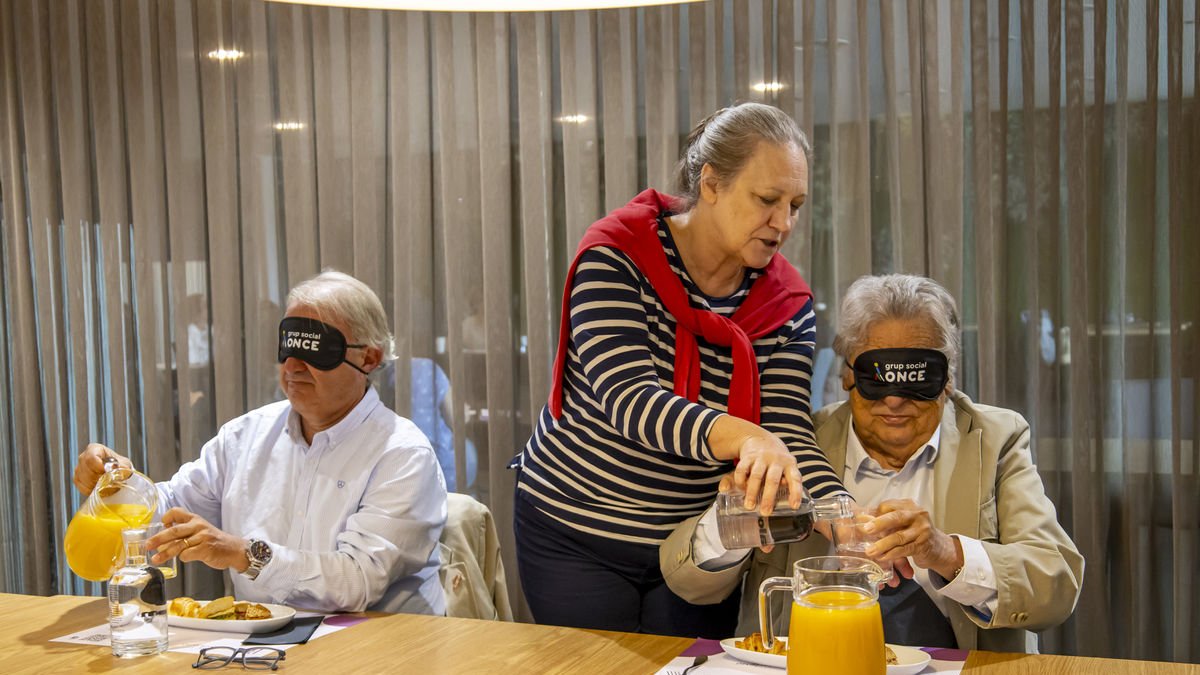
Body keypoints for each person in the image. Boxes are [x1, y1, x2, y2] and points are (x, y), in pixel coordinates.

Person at [512, 103, 847, 638]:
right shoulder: (618, 256)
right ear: (711, 183)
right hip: (576, 526)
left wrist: (841, 513)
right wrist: (747, 436)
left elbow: (786, 431)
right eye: (767, 200)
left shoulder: (786, 302)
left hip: (697, 544)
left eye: (796, 205)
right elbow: (629, 399)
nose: (783, 223)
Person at [660, 274, 1084, 652]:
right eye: (876, 379)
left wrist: (945, 552)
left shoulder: (996, 439)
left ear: (948, 377)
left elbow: (1056, 582)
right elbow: (684, 581)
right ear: (847, 375)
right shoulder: (797, 443)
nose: (895, 400)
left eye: (916, 378)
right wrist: (732, 523)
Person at [74, 270, 448, 615]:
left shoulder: (402, 454)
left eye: (315, 350)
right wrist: (117, 486)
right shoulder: (244, 437)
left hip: (379, 654)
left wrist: (245, 554)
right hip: (259, 650)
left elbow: (357, 580)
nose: (293, 366)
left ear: (368, 358)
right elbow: (170, 510)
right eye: (288, 347)